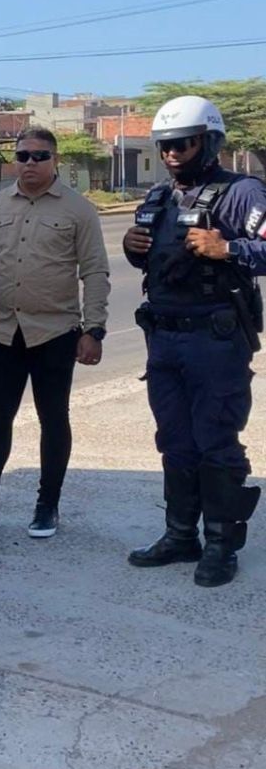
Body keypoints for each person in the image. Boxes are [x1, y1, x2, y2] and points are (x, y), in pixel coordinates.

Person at [123, 95, 266, 587]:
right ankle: (181, 535)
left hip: (215, 341)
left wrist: (229, 248)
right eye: (164, 145)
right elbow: (156, 260)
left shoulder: (242, 193)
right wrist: (131, 248)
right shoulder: (158, 197)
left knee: (216, 440)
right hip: (163, 339)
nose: (171, 153)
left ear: (208, 142)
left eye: (182, 144)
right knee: (175, 442)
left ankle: (221, 545)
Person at [0, 127, 110, 539]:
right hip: (2, 332)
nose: (30, 163)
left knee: (53, 419)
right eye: (22, 155)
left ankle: (47, 506)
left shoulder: (78, 210)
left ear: (55, 160)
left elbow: (95, 271)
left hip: (54, 333)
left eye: (40, 156)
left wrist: (94, 328)